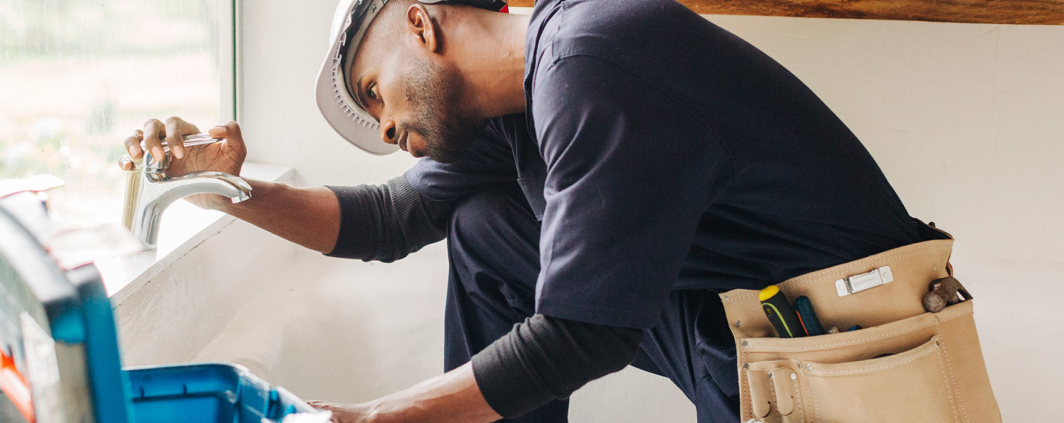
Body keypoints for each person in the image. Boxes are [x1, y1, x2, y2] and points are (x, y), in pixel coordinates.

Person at [120, 1, 932, 422]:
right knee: (485, 231)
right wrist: (224, 185)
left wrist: (378, 416)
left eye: (374, 91)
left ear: (420, 21)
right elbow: (386, 222)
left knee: (542, 280)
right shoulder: (516, 109)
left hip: (839, 335)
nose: (385, 127)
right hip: (731, 320)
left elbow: (586, 330)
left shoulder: (592, 59)